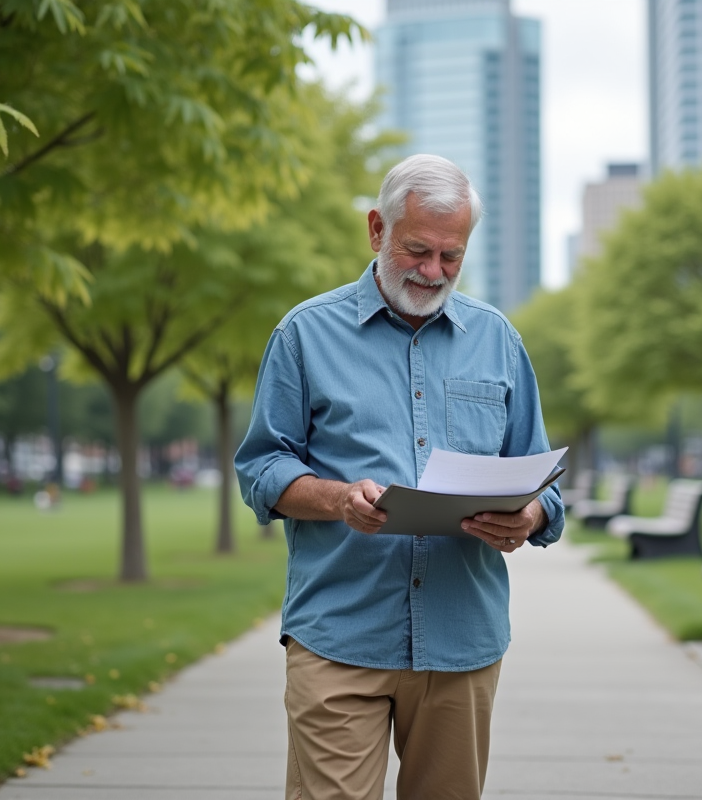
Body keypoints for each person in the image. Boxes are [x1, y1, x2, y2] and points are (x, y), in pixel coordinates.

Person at [235, 153, 565, 800]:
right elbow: (262, 466)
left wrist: (527, 516)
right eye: (418, 250)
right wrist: (337, 498)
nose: (433, 271)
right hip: (339, 635)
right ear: (377, 230)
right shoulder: (304, 334)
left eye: (451, 256)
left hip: (461, 641)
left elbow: (545, 483)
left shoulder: (499, 341)